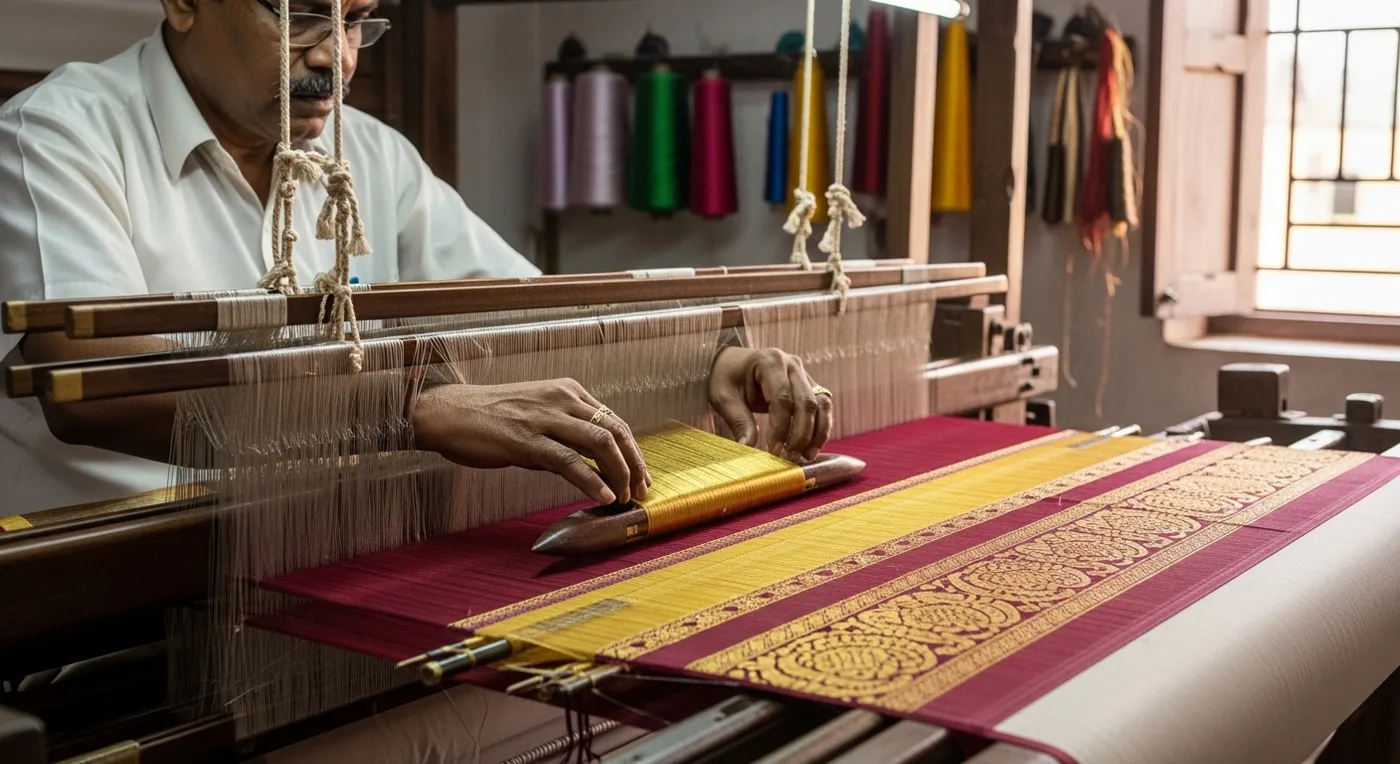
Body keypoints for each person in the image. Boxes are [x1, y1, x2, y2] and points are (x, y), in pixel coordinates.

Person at [0, 0, 832, 516]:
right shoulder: (59, 134)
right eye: (301, 15)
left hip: (328, 551)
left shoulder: (372, 156)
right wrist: (406, 407)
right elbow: (87, 385)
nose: (337, 55)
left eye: (359, 18)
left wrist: (714, 354)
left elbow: (539, 310)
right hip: (118, 598)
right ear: (182, 0)